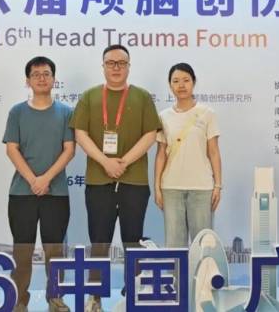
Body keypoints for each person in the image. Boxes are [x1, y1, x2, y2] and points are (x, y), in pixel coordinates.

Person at [70, 44, 161, 312]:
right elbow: (80, 134)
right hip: (99, 181)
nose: (116, 67)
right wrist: (105, 162)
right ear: (103, 67)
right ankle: (95, 296)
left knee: (133, 240)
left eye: (122, 63)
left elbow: (150, 134)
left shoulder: (142, 97)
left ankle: (132, 293)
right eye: (111, 63)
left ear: (129, 67)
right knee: (99, 241)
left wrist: (124, 162)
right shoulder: (89, 96)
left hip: (134, 181)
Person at [3, 56, 75, 312]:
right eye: (36, 74)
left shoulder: (66, 112)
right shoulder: (17, 112)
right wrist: (34, 180)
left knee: (55, 252)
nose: (42, 78)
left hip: (56, 194)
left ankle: (55, 299)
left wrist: (46, 179)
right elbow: (12, 149)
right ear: (28, 81)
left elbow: (69, 150)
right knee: (22, 251)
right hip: (22, 193)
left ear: (54, 79)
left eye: (46, 74)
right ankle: (19, 300)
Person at [154, 63, 223, 248]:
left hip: (201, 188)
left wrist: (217, 185)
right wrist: (157, 187)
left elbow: (214, 152)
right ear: (170, 85)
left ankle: (203, 271)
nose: (181, 85)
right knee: (174, 246)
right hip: (171, 188)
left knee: (203, 246)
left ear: (194, 82)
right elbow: (161, 154)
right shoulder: (163, 116)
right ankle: (177, 271)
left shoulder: (207, 114)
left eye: (186, 80)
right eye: (176, 81)